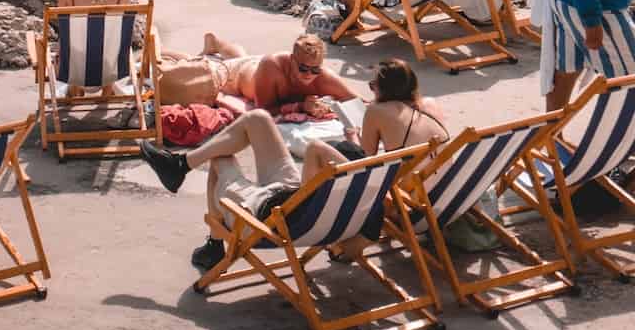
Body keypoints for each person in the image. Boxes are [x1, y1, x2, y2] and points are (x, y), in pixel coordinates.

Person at [140, 58, 443, 270]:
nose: (371, 91)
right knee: (257, 118)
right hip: (299, 196)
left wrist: (348, 140)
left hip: (283, 214)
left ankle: (215, 244)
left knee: (220, 155)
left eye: (373, 86)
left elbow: (354, 161)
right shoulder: (369, 195)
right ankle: (180, 165)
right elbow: (363, 174)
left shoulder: (366, 176)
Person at [157, 33, 355, 109]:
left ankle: (216, 42)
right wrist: (301, 107)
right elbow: (264, 109)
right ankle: (162, 50)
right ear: (291, 60)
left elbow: (357, 101)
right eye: (303, 68)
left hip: (253, 69)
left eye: (315, 69)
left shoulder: (322, 76)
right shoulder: (273, 67)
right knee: (207, 68)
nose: (309, 74)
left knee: (241, 58)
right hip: (235, 76)